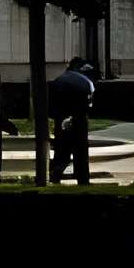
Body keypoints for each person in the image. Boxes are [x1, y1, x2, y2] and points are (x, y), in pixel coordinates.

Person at [48, 57, 97, 186]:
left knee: (61, 153)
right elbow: (90, 104)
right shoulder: (86, 82)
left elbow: (51, 106)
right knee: (80, 154)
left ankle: (54, 176)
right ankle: (83, 181)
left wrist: (59, 118)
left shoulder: (58, 81)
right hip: (79, 121)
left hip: (61, 121)